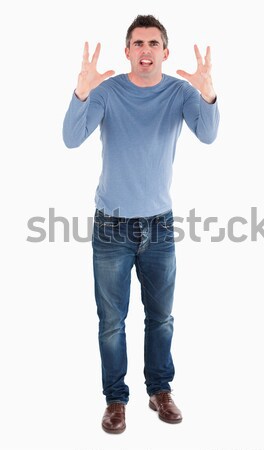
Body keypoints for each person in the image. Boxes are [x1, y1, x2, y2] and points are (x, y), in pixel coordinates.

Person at [63, 14, 219, 434]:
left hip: (159, 227)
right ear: (127, 51)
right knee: (111, 321)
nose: (146, 50)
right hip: (111, 227)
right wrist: (81, 91)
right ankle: (115, 400)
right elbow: (70, 138)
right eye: (138, 43)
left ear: (164, 52)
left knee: (161, 317)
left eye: (153, 43)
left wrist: (208, 96)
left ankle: (160, 390)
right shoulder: (107, 92)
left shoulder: (180, 92)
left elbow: (207, 135)